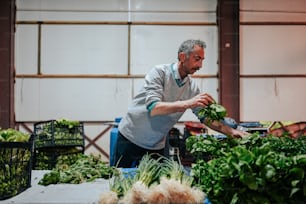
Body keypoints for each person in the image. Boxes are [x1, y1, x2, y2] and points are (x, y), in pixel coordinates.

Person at [115, 39, 247, 168]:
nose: (200, 65)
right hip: (130, 138)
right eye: (197, 59)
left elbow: (205, 117)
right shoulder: (160, 73)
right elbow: (154, 108)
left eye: (202, 60)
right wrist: (188, 103)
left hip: (156, 145)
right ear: (182, 56)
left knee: (157, 187)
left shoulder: (192, 88)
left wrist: (230, 131)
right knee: (119, 182)